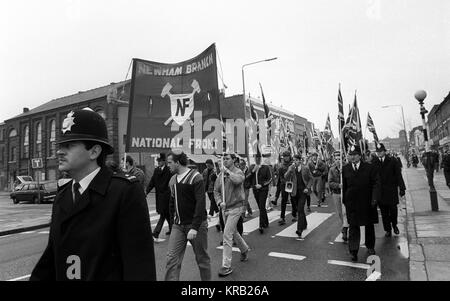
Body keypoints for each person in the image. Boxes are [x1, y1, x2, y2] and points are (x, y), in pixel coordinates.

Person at [30, 108, 156, 281]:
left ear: (94, 152)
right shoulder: (63, 195)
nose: (60, 151)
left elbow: (139, 267)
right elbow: (50, 260)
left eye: (69, 145)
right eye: (60, 145)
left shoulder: (124, 192)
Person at [165, 151, 211, 281]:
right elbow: (172, 203)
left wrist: (195, 227)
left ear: (177, 162)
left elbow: (200, 204)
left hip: (196, 225)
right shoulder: (172, 180)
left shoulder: (196, 177)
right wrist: (172, 222)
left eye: (170, 162)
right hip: (178, 226)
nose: (168, 165)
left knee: (202, 260)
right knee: (171, 260)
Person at [342, 145, 381, 262]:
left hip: (367, 201)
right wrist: (345, 200)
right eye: (351, 155)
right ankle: (353, 251)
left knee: (368, 225)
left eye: (354, 155)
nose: (352, 157)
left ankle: (370, 247)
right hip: (352, 203)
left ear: (360, 155)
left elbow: (376, 183)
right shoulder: (346, 168)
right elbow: (345, 186)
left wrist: (375, 199)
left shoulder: (369, 168)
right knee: (353, 227)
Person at [214, 153, 250, 277]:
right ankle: (244, 249)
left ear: (233, 160)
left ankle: (226, 266)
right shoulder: (220, 175)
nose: (224, 161)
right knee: (233, 232)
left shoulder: (238, 172)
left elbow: (238, 180)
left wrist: (227, 172)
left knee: (227, 234)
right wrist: (219, 202)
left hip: (236, 207)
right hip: (225, 208)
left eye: (227, 158)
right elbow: (216, 191)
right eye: (223, 159)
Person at [374, 143, 406, 237]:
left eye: (381, 151)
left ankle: (395, 225)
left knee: (393, 210)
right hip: (381, 192)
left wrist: (402, 188)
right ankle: (387, 229)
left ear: (385, 151)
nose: (379, 153)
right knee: (384, 213)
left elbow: (398, 175)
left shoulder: (392, 161)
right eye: (378, 152)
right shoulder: (374, 162)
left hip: (391, 190)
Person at [284, 154, 313, 238]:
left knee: (300, 209)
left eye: (296, 160)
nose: (295, 162)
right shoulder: (291, 168)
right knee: (299, 210)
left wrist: (307, 187)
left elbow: (311, 178)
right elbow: (285, 177)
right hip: (294, 192)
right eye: (294, 160)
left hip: (303, 192)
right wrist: (290, 171)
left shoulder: (305, 168)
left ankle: (299, 229)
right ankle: (304, 223)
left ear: (300, 160)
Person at [146, 153, 173, 240]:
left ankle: (156, 232)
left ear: (164, 161)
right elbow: (152, 182)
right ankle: (172, 229)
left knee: (163, 214)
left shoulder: (169, 170)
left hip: (167, 196)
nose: (158, 162)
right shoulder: (156, 170)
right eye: (158, 161)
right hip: (159, 196)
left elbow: (172, 182)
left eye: (160, 161)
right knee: (167, 214)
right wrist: (146, 191)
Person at [247, 153, 272, 233]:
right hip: (255, 190)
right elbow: (247, 178)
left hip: (263, 190)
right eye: (256, 157)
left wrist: (261, 185)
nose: (257, 159)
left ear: (261, 158)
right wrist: (253, 171)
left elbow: (270, 179)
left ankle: (261, 225)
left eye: (258, 157)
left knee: (261, 206)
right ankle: (266, 222)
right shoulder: (251, 167)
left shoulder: (266, 167)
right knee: (261, 207)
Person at [328, 151, 349, 242]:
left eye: (339, 159)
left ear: (342, 159)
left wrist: (343, 174)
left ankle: (346, 229)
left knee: (346, 212)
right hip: (336, 193)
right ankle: (344, 227)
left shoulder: (347, 167)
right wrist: (338, 185)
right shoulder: (332, 169)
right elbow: (330, 182)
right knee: (340, 213)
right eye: (336, 159)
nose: (337, 161)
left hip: (346, 193)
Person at [276, 151, 297, 225]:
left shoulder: (293, 164)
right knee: (284, 200)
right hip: (284, 184)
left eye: (287, 156)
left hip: (292, 183)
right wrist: (283, 182)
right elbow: (280, 176)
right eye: (284, 156)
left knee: (293, 199)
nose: (286, 157)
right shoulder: (281, 166)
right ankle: (282, 217)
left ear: (289, 156)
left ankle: (294, 215)